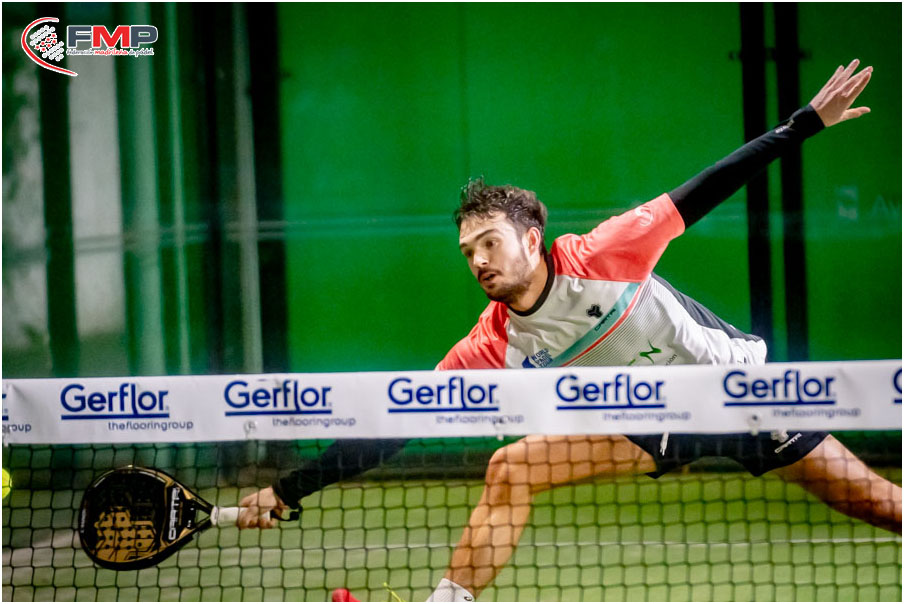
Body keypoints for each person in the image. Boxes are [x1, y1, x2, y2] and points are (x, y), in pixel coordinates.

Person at [238, 59, 902, 601]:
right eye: (468, 252)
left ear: (532, 239)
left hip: (736, 389)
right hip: (651, 419)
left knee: (879, 505)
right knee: (511, 467)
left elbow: (706, 188)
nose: (478, 260)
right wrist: (286, 489)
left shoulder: (607, 252)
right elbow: (395, 426)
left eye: (491, 243)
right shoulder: (490, 343)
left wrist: (804, 124)